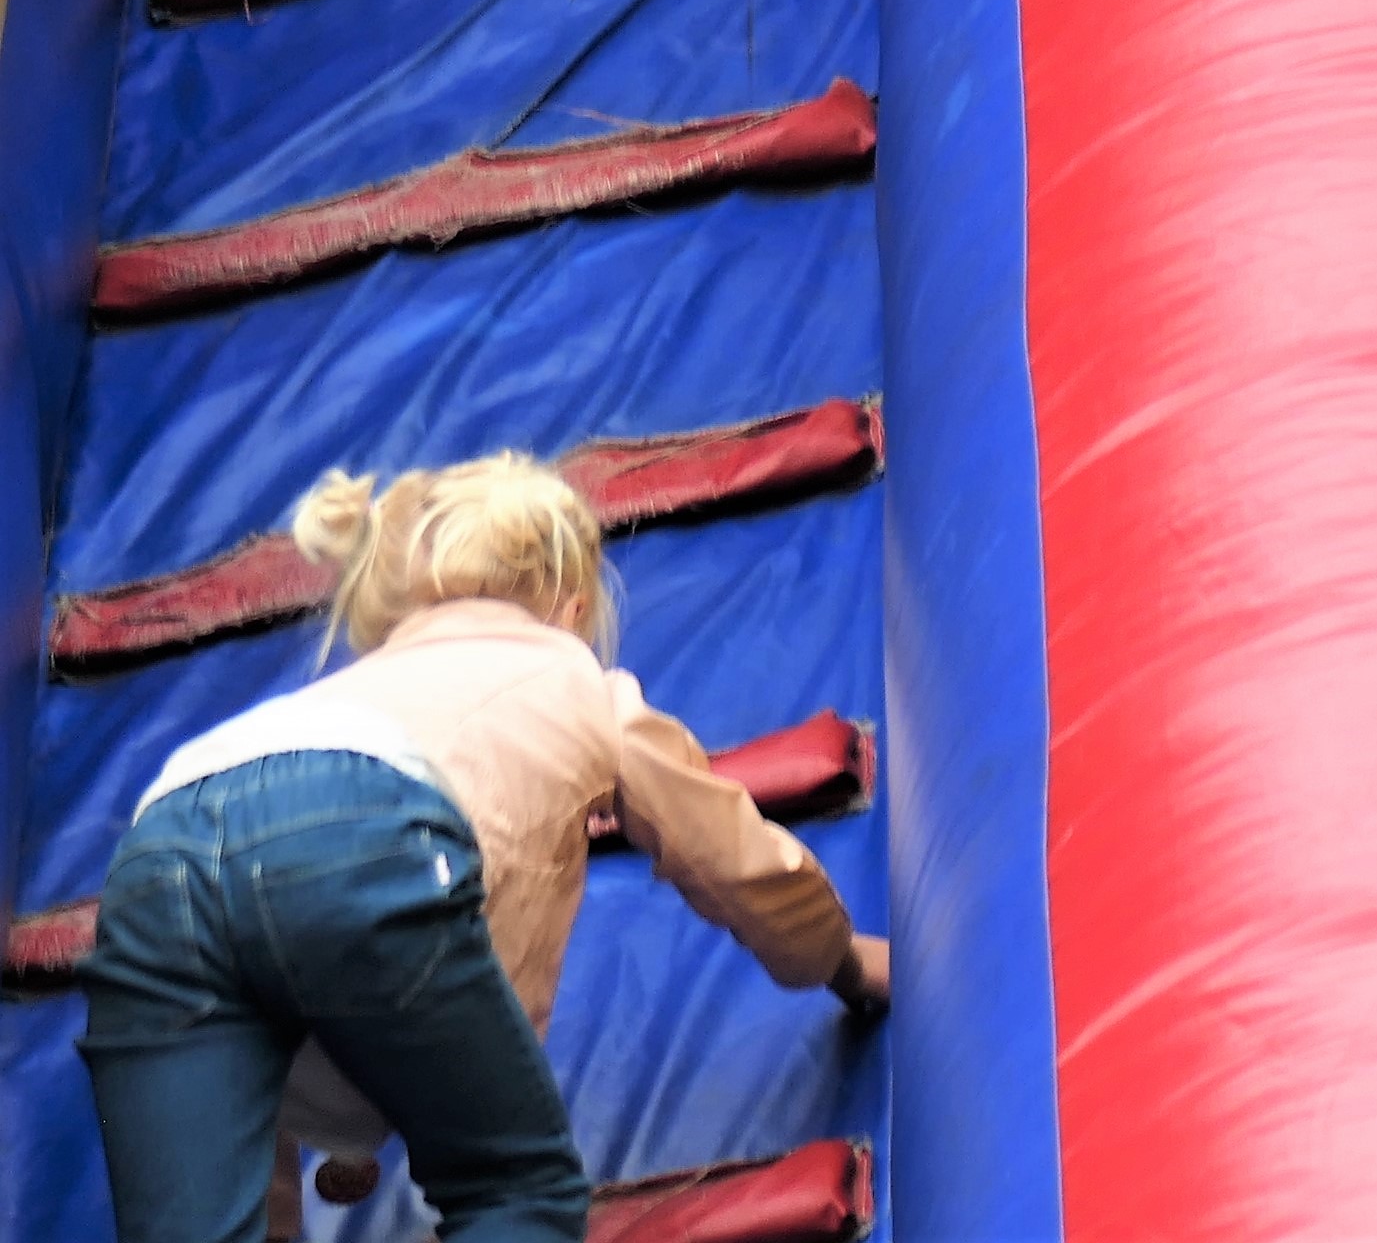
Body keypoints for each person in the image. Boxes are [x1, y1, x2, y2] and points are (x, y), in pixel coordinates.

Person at [75, 454, 888, 1243]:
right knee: (518, 1191)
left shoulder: (331, 700)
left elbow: (249, 1054)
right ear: (571, 607)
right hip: (355, 827)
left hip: (156, 847)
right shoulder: (573, 678)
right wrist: (840, 958)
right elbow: (730, 856)